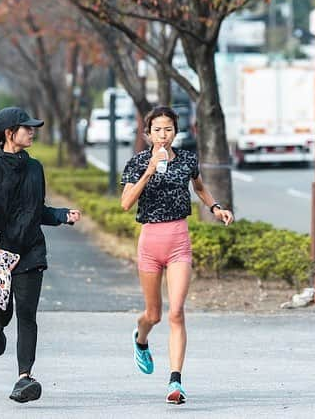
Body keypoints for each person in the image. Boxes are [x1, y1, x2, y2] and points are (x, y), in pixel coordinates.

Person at [0, 106, 81, 403]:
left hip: (29, 251)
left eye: (33, 127)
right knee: (4, 312)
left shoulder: (35, 167)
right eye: (27, 128)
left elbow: (37, 211)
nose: (32, 131)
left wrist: (63, 215)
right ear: (9, 133)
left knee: (27, 314)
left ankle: (24, 378)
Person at [120, 105, 234, 405]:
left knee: (176, 312)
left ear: (175, 131)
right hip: (150, 242)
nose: (163, 134)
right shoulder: (136, 163)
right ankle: (141, 339)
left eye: (168, 129)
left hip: (179, 241)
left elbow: (200, 188)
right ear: (148, 134)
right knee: (153, 315)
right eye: (157, 130)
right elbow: (126, 203)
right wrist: (148, 170)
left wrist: (216, 208)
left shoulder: (186, 160)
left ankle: (175, 382)